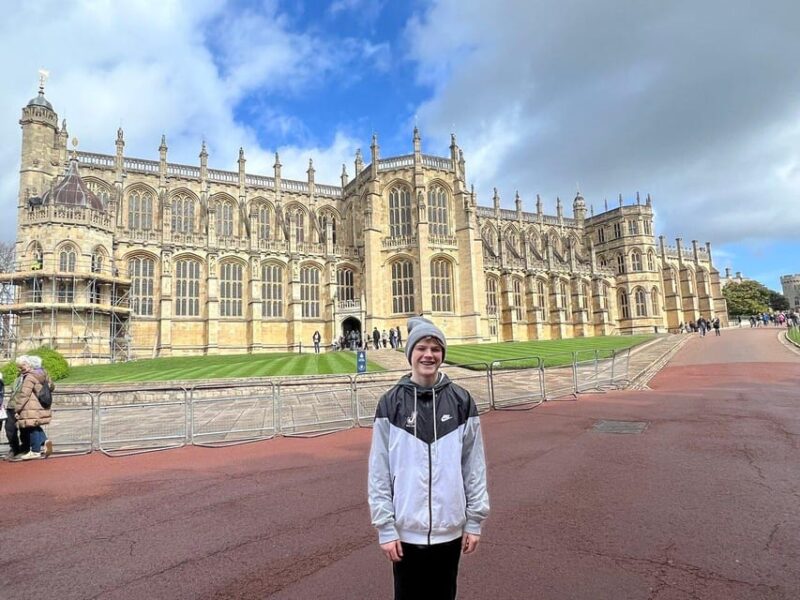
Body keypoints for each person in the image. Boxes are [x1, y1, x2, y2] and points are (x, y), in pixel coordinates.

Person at [368, 317, 490, 600]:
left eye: (436, 349)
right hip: (406, 532)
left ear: (442, 355)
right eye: (422, 347)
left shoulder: (462, 401)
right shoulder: (390, 403)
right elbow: (379, 471)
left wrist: (474, 521)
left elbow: (474, 467)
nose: (429, 354)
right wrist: (385, 527)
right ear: (410, 352)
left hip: (449, 530)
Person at [9, 355, 54, 461]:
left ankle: (35, 451)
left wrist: (17, 409)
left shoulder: (30, 377)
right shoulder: (44, 374)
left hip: (30, 406)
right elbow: (52, 387)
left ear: (31, 365)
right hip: (40, 404)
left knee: (31, 427)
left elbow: (24, 394)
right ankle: (45, 441)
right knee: (35, 426)